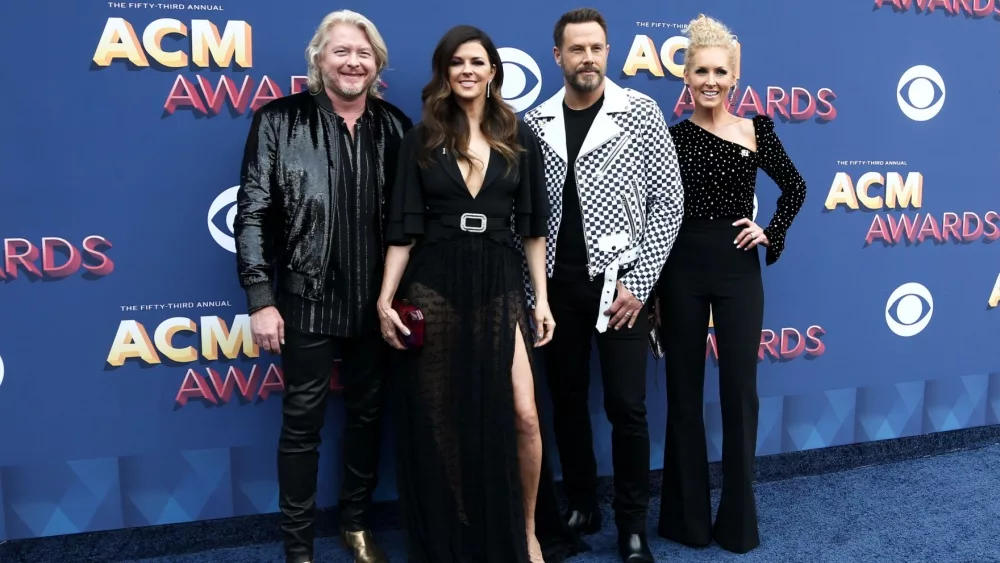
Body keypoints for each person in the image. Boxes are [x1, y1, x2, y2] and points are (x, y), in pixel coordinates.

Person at [376, 24, 588, 563]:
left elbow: (535, 229)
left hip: (499, 277)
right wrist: (385, 298)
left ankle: (527, 531)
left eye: (476, 61)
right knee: (443, 415)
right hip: (436, 278)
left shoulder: (520, 135)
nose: (467, 70)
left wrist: (540, 298)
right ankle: (458, 529)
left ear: (493, 70)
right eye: (456, 62)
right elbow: (403, 229)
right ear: (444, 72)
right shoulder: (420, 138)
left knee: (524, 414)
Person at [233, 10, 412, 563]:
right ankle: (298, 547)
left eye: (363, 53)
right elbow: (254, 213)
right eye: (341, 52)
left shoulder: (396, 126)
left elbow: (410, 224)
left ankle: (356, 526)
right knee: (301, 426)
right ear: (318, 59)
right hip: (305, 299)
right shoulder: (278, 120)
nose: (353, 61)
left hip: (377, 304)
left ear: (377, 64)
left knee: (367, 417)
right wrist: (261, 299)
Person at [522, 8, 685, 563]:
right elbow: (525, 213)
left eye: (596, 48)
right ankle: (584, 504)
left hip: (622, 288)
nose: (587, 57)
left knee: (626, 406)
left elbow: (669, 203)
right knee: (565, 401)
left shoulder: (640, 112)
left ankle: (632, 524)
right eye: (576, 49)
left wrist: (639, 284)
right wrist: (535, 292)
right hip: (555, 288)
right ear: (558, 57)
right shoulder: (535, 121)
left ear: (607, 52)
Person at [654, 14, 807, 555]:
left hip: (739, 269)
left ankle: (739, 522)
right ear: (686, 78)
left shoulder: (757, 129)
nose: (711, 80)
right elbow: (654, 214)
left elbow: (795, 187)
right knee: (683, 395)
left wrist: (770, 232)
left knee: (740, 393)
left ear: (735, 79)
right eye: (701, 71)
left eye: (721, 71)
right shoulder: (669, 140)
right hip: (681, 268)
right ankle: (685, 521)